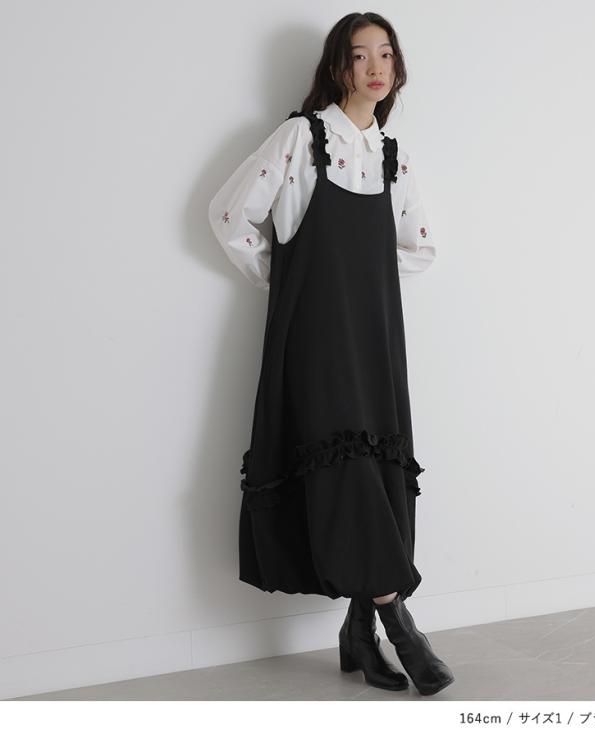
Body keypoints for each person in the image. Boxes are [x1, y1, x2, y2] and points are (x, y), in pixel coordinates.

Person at [208, 12, 454, 696]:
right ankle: (401, 627)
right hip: (314, 335)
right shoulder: (301, 137)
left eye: (386, 54)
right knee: (344, 467)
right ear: (337, 67)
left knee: (375, 467)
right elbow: (228, 215)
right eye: (360, 54)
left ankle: (357, 634)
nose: (375, 67)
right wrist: (291, 281)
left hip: (374, 334)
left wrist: (360, 281)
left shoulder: (393, 154)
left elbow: (422, 247)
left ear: (396, 68)